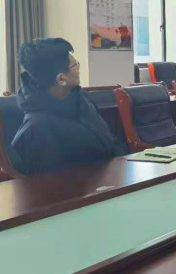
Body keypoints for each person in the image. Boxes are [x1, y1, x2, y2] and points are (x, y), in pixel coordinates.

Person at [11, 38, 127, 175]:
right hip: (83, 186)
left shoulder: (81, 99)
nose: (78, 68)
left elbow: (109, 140)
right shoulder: (36, 127)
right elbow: (49, 181)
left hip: (111, 176)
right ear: (61, 79)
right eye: (74, 65)